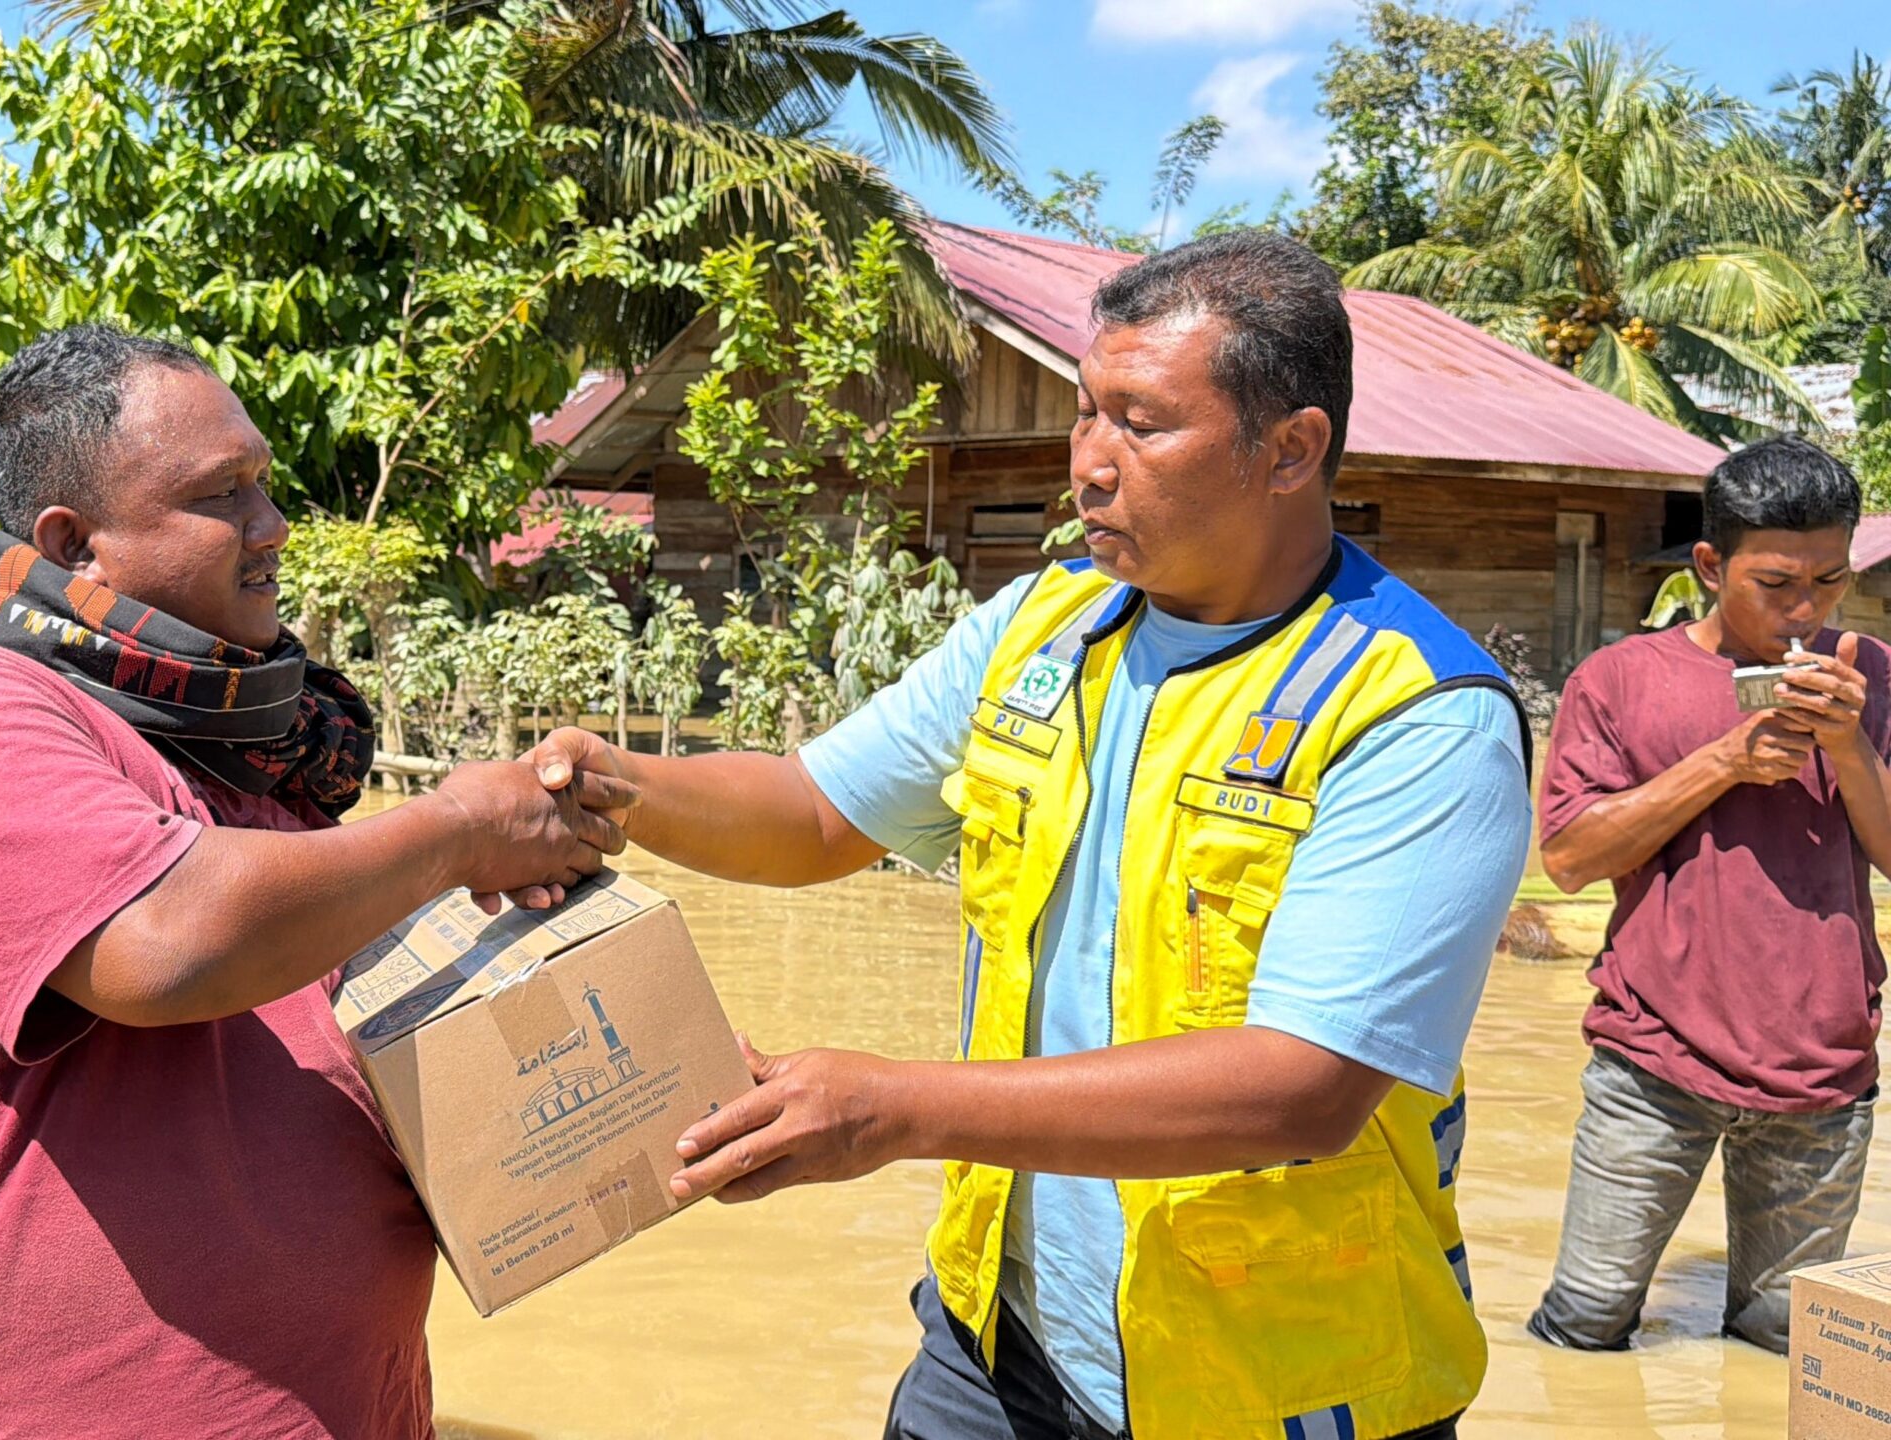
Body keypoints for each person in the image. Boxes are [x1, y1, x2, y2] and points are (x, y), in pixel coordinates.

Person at [528, 232, 1533, 1440]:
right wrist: (603, 785)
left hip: (1272, 1384)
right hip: (997, 1340)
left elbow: (1301, 1088)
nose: (1090, 468)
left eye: (1143, 424)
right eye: (1083, 416)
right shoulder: (1045, 627)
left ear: (1291, 449)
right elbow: (812, 813)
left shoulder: (1416, 712)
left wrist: (894, 1108)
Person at [0, 325, 628, 1439]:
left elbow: (280, 965)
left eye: (266, 484)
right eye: (224, 495)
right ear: (75, 542)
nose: (272, 526)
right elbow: (166, 943)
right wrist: (456, 834)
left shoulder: (235, 728)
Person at [1528, 435, 1890, 1355]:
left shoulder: (1874, 679)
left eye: (1830, 582)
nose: (1806, 609)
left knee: (1786, 1349)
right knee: (1585, 1324)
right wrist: (1724, 760)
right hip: (1652, 1061)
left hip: (1824, 1069)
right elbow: (1568, 857)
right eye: (1775, 584)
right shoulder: (1618, 680)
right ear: (1708, 565)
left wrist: (1849, 748)